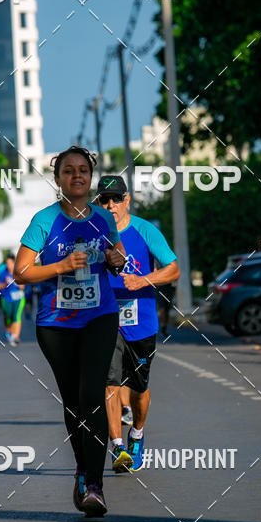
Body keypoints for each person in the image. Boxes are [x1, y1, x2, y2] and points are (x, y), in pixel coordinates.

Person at [14, 145, 125, 517]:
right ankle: (82, 467)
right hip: (56, 324)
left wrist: (115, 260)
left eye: (82, 170)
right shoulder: (43, 221)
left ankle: (95, 485)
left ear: (90, 177)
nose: (76, 176)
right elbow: (22, 273)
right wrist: (61, 265)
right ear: (58, 178)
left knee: (92, 394)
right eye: (68, 171)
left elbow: (118, 257)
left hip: (100, 316)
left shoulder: (103, 219)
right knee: (74, 401)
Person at [95, 175, 180, 472]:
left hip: (141, 322)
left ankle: (137, 434)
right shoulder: (93, 233)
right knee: (109, 382)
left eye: (116, 199)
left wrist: (143, 280)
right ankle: (118, 448)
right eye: (104, 200)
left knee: (139, 388)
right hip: (105, 321)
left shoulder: (145, 231)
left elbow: (173, 270)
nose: (110, 205)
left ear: (126, 200)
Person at [0, 254, 25, 345]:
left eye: (10, 263)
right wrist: (5, 282)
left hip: (19, 298)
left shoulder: (18, 272)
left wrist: (16, 282)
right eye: (7, 263)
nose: (8, 265)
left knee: (16, 316)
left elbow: (22, 287)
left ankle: (15, 336)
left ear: (14, 263)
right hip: (6, 298)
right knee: (9, 317)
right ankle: (8, 331)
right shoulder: (3, 273)